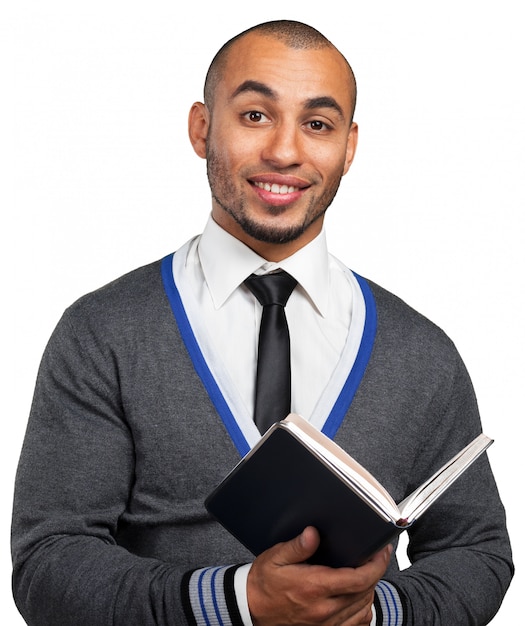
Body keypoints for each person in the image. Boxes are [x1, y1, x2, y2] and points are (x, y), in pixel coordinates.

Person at [11, 19, 513, 626]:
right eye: (254, 115)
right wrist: (236, 599)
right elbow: (48, 563)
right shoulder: (102, 334)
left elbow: (478, 552)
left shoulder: (423, 354)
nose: (284, 151)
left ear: (349, 147)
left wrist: (377, 611)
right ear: (202, 128)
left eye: (318, 124)